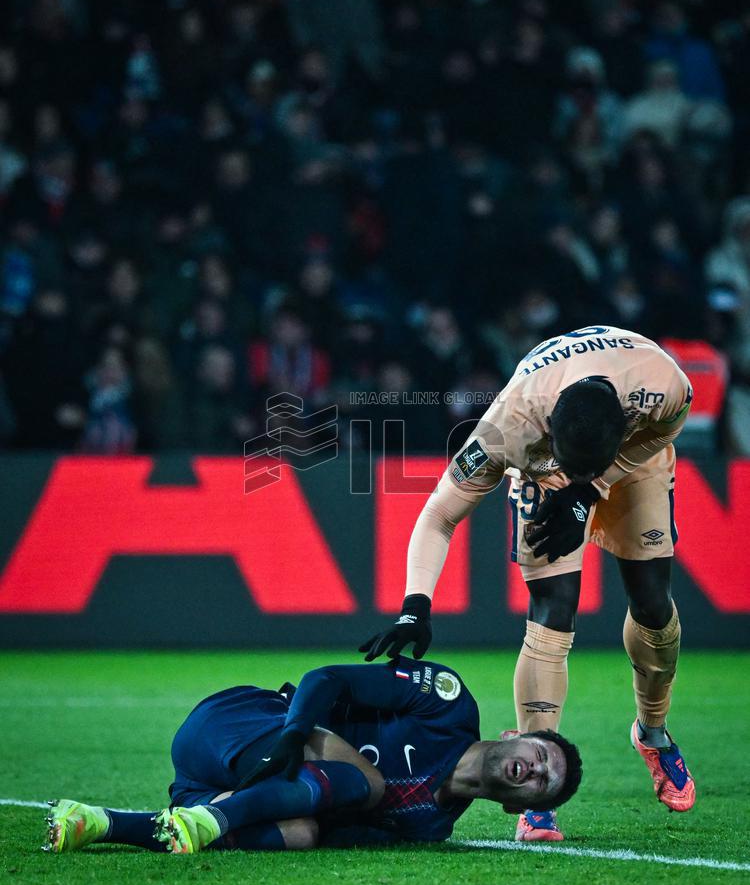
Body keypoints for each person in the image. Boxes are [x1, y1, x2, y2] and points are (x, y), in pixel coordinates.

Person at [360, 325, 695, 842]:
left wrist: (593, 485)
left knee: (653, 603)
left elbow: (666, 427)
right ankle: (537, 787)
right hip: (544, 469)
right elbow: (438, 516)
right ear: (549, 429)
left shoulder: (665, 385)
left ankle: (652, 731)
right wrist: (414, 605)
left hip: (631, 461)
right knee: (553, 607)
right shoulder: (509, 425)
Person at [43, 656, 581, 854]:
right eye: (538, 753)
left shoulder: (430, 828)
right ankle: (213, 816)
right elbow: (324, 678)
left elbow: (327, 831)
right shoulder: (447, 703)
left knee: (303, 834)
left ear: (520, 807)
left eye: (541, 782)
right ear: (514, 732)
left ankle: (103, 823)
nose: (533, 768)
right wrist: (292, 735)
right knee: (364, 783)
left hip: (222, 789)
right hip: (241, 726)